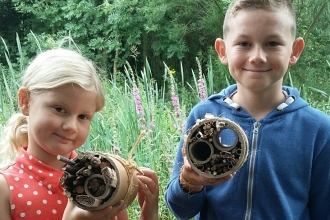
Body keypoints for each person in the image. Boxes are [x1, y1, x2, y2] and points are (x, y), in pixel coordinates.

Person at [164, 0, 330, 219]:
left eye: (272, 43)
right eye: (244, 43)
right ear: (223, 51)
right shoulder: (203, 118)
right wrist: (189, 183)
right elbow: (180, 209)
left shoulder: (319, 130)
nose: (257, 56)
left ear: (294, 51)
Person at [0, 48, 159, 220]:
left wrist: (149, 213)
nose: (71, 126)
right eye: (59, 109)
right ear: (25, 101)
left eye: (83, 116)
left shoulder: (106, 176)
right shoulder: (5, 189)